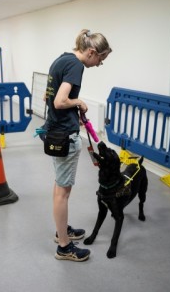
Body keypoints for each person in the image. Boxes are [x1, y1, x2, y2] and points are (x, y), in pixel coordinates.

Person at [44, 29, 112, 262]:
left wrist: (70, 106)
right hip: (64, 135)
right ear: (91, 52)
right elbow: (59, 100)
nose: (100, 64)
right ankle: (64, 247)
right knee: (63, 192)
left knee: (59, 186)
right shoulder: (76, 66)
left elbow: (47, 97)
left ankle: (62, 231)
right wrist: (78, 102)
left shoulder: (61, 59)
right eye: (101, 59)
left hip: (55, 131)